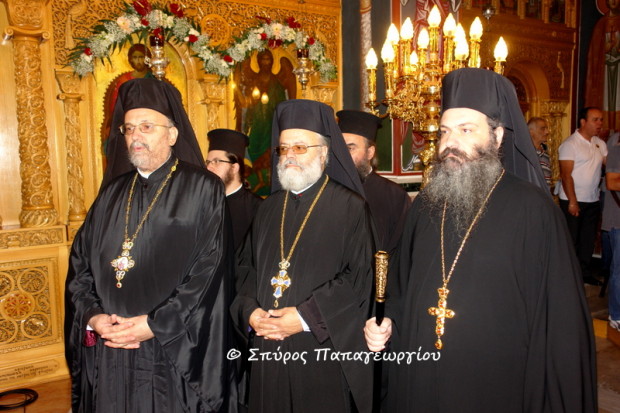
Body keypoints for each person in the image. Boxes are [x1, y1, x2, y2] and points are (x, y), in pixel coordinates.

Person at [364, 68, 597, 413]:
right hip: (422, 375)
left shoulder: (533, 209)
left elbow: (560, 322)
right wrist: (386, 323)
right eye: (444, 131)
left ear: (497, 136)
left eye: (466, 130)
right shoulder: (426, 204)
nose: (450, 143)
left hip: (495, 381)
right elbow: (401, 286)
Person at [65, 78, 236, 413]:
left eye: (146, 127)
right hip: (112, 346)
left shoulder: (204, 188)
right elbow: (80, 265)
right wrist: (94, 316)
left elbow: (209, 272)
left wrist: (154, 324)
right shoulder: (112, 193)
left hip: (169, 348)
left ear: (172, 134)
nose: (136, 136)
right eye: (129, 129)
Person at [231, 99, 374, 413]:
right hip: (268, 348)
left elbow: (359, 279)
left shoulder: (350, 207)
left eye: (300, 147)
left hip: (319, 352)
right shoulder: (268, 209)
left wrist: (305, 317)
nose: (290, 156)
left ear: (323, 153)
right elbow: (245, 270)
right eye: (284, 148)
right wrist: (251, 313)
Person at [337, 109, 411, 256]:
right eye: (339, 148)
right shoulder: (326, 190)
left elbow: (401, 251)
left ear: (370, 152)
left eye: (350, 148)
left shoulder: (395, 196)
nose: (342, 155)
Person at [235, 49, 296, 195]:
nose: (266, 62)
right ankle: (257, 180)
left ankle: (270, 181)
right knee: (253, 146)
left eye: (268, 59)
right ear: (258, 61)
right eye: (263, 59)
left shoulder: (277, 82)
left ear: (272, 62)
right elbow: (247, 102)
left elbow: (282, 104)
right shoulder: (253, 80)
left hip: (271, 123)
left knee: (271, 148)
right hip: (256, 122)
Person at [558, 106, 608, 285]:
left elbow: (609, 165)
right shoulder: (570, 144)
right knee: (572, 240)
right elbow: (566, 175)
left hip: (592, 198)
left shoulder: (600, 143)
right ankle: (568, 276)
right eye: (595, 120)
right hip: (572, 199)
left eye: (601, 120)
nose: (599, 123)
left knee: (588, 239)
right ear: (583, 122)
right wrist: (572, 201)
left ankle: (584, 273)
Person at [207, 128, 262, 251]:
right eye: (208, 162)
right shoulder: (202, 202)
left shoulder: (258, 208)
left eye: (216, 161)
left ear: (234, 168)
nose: (209, 167)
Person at [585, 0, 620, 130]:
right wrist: (607, 47)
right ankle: (605, 127)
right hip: (604, 68)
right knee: (606, 98)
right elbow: (595, 50)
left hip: (619, 67)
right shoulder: (601, 24)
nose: (613, 1)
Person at [604, 134, 620, 330]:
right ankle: (616, 315)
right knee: (619, 270)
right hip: (617, 218)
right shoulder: (617, 150)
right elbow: (612, 183)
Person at [527, 117, 553, 191]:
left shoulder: (545, 154)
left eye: (546, 128)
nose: (547, 132)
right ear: (531, 132)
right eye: (543, 128)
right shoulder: (525, 154)